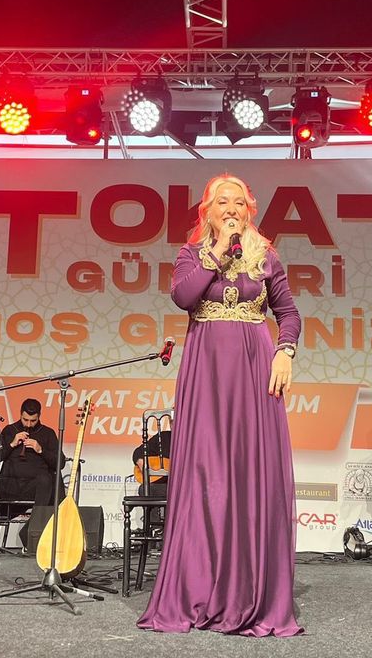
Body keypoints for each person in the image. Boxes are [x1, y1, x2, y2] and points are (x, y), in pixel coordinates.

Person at [138, 174, 303, 637]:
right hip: (207, 373)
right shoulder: (192, 254)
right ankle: (200, 588)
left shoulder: (266, 256)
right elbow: (184, 297)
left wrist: (285, 352)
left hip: (255, 372)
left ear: (250, 211)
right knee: (205, 476)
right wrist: (216, 252)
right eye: (222, 202)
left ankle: (249, 591)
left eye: (239, 203)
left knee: (251, 475)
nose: (232, 209)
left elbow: (288, 313)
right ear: (207, 211)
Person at [0, 398, 60, 549]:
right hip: (10, 484)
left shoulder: (47, 433)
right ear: (20, 414)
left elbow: (60, 462)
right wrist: (12, 444)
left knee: (45, 479)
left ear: (39, 416)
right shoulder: (10, 430)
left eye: (33, 421)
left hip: (34, 487)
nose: (28, 424)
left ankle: (31, 531)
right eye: (25, 420)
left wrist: (40, 449)